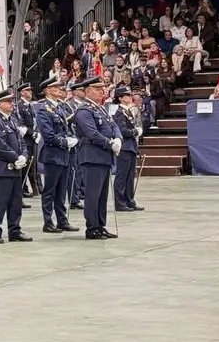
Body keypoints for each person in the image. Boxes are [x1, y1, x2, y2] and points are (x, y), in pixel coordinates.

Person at [74, 78, 121, 240]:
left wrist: (118, 138)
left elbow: (114, 125)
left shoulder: (100, 108)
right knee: (93, 195)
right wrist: (109, 143)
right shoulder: (84, 110)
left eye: (103, 88)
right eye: (97, 89)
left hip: (103, 157)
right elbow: (92, 133)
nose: (102, 91)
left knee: (102, 196)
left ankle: (100, 225)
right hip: (92, 157)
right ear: (87, 91)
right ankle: (92, 227)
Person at [0, 90, 33, 244]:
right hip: (2, 168)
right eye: (8, 101)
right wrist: (15, 157)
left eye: (12, 101)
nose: (11, 104)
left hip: (16, 168)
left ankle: (15, 230)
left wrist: (24, 156)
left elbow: (21, 142)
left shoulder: (12, 120)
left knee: (15, 202)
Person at [35, 79, 80, 234]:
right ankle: (48, 222)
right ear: (47, 90)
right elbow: (48, 135)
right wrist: (65, 142)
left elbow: (65, 128)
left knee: (61, 190)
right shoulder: (43, 109)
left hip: (64, 155)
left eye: (60, 87)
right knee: (50, 190)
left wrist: (71, 138)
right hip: (53, 154)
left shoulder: (59, 107)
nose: (60, 89)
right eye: (55, 87)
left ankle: (62, 220)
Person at [112, 87, 144, 213]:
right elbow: (122, 130)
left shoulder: (129, 110)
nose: (129, 96)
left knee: (130, 176)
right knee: (122, 175)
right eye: (126, 95)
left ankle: (129, 200)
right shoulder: (120, 112)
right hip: (124, 147)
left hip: (131, 146)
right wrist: (135, 131)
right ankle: (120, 202)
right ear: (120, 98)